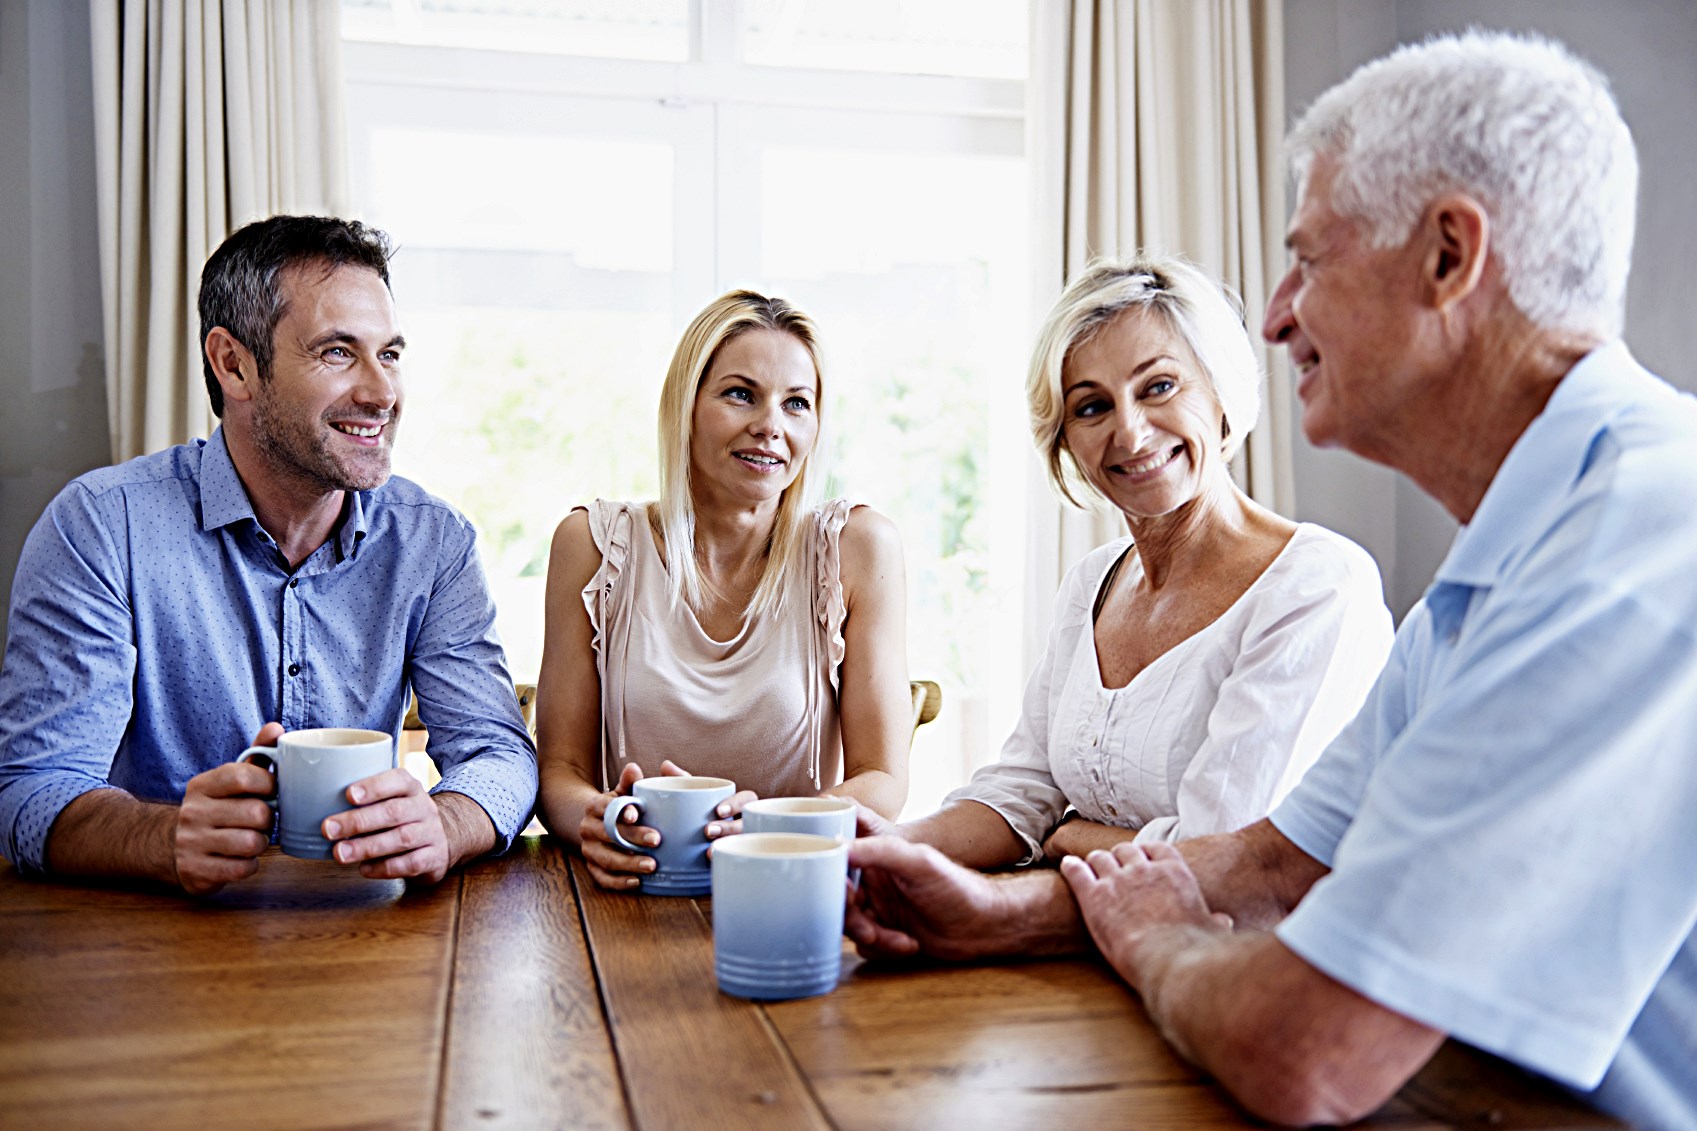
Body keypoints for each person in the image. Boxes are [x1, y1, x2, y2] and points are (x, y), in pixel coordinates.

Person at [844, 30, 1697, 1131]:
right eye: (1090, 406)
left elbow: (1306, 1051)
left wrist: (1154, 940)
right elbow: (1273, 861)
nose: (1275, 312)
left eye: (1311, 259)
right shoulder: (1505, 561)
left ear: (1447, 256)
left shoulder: (1630, 545)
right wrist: (986, 917)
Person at [0, 216, 538, 895]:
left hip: (369, 937)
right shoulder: (101, 526)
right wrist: (163, 838)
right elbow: (32, 790)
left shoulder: (434, 542)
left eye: (390, 354)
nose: (381, 392)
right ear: (234, 364)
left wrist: (445, 820)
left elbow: (499, 753)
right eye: (338, 352)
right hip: (154, 949)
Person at [884, 256, 1391, 869]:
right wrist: (872, 845)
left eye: (1159, 387)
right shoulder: (1092, 585)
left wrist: (1074, 837)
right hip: (1085, 947)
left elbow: (1221, 856)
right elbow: (1018, 795)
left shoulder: (1317, 585)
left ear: (1220, 391)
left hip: (1236, 957)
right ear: (1065, 440)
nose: (1130, 434)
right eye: (1091, 407)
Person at [535, 290, 910, 891]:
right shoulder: (592, 544)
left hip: (790, 885)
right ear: (685, 407)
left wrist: (766, 828)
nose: (770, 427)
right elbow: (561, 772)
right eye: (741, 394)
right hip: (634, 889)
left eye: (797, 403)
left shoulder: (856, 547)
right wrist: (598, 820)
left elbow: (882, 778)